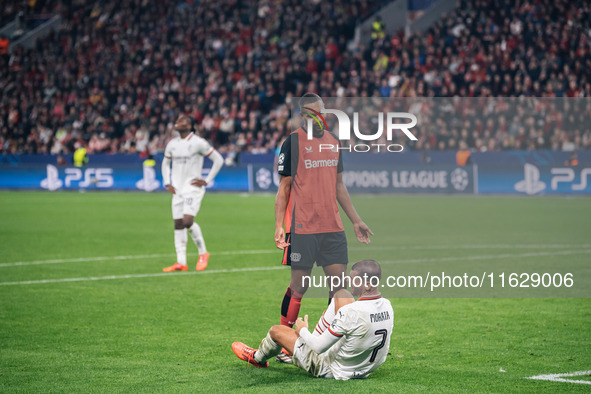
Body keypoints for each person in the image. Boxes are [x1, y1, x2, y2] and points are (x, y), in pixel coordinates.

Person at [274, 93, 373, 362]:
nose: (318, 117)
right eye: (312, 113)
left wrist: (356, 220)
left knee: (338, 288)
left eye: (321, 112)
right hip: (303, 228)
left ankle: (327, 344)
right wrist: (279, 226)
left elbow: (339, 186)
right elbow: (284, 188)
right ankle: (286, 344)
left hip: (333, 229)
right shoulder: (292, 143)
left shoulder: (332, 142)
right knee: (299, 287)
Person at [232, 260, 393, 380]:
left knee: (276, 331)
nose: (350, 282)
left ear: (369, 284)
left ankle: (257, 358)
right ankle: (310, 339)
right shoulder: (387, 306)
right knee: (341, 293)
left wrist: (302, 329)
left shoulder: (350, 313)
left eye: (355, 280)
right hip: (365, 368)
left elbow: (318, 348)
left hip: (332, 369)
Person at [161, 115, 224, 272]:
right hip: (177, 189)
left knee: (187, 221)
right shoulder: (172, 144)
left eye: (182, 120)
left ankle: (203, 253)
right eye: (177, 120)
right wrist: (166, 182)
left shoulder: (198, 143)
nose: (178, 122)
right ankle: (181, 262)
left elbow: (218, 160)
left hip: (192, 188)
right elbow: (165, 163)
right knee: (178, 224)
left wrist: (207, 180)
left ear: (190, 126)